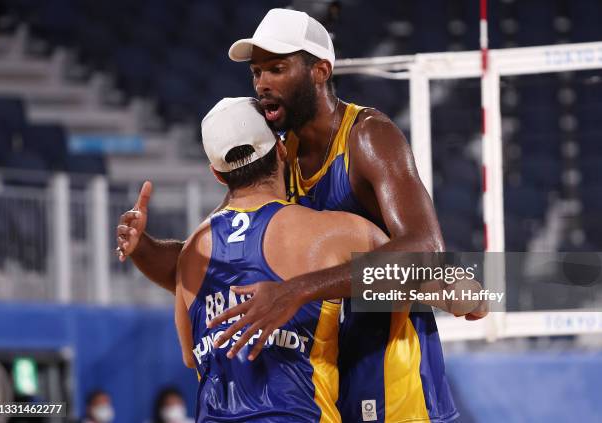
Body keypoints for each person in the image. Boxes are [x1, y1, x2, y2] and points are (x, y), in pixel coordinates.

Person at [117, 8, 487, 423]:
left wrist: (298, 289)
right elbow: (211, 263)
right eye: (256, 72)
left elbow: (426, 254)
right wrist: (144, 249)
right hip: (323, 377)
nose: (262, 84)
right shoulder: (274, 151)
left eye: (276, 69)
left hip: (392, 373)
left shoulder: (368, 137)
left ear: (319, 71)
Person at [175, 96, 388, 422]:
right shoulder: (330, 232)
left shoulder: (192, 251)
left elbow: (192, 358)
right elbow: (451, 289)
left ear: (217, 175)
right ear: (281, 149)